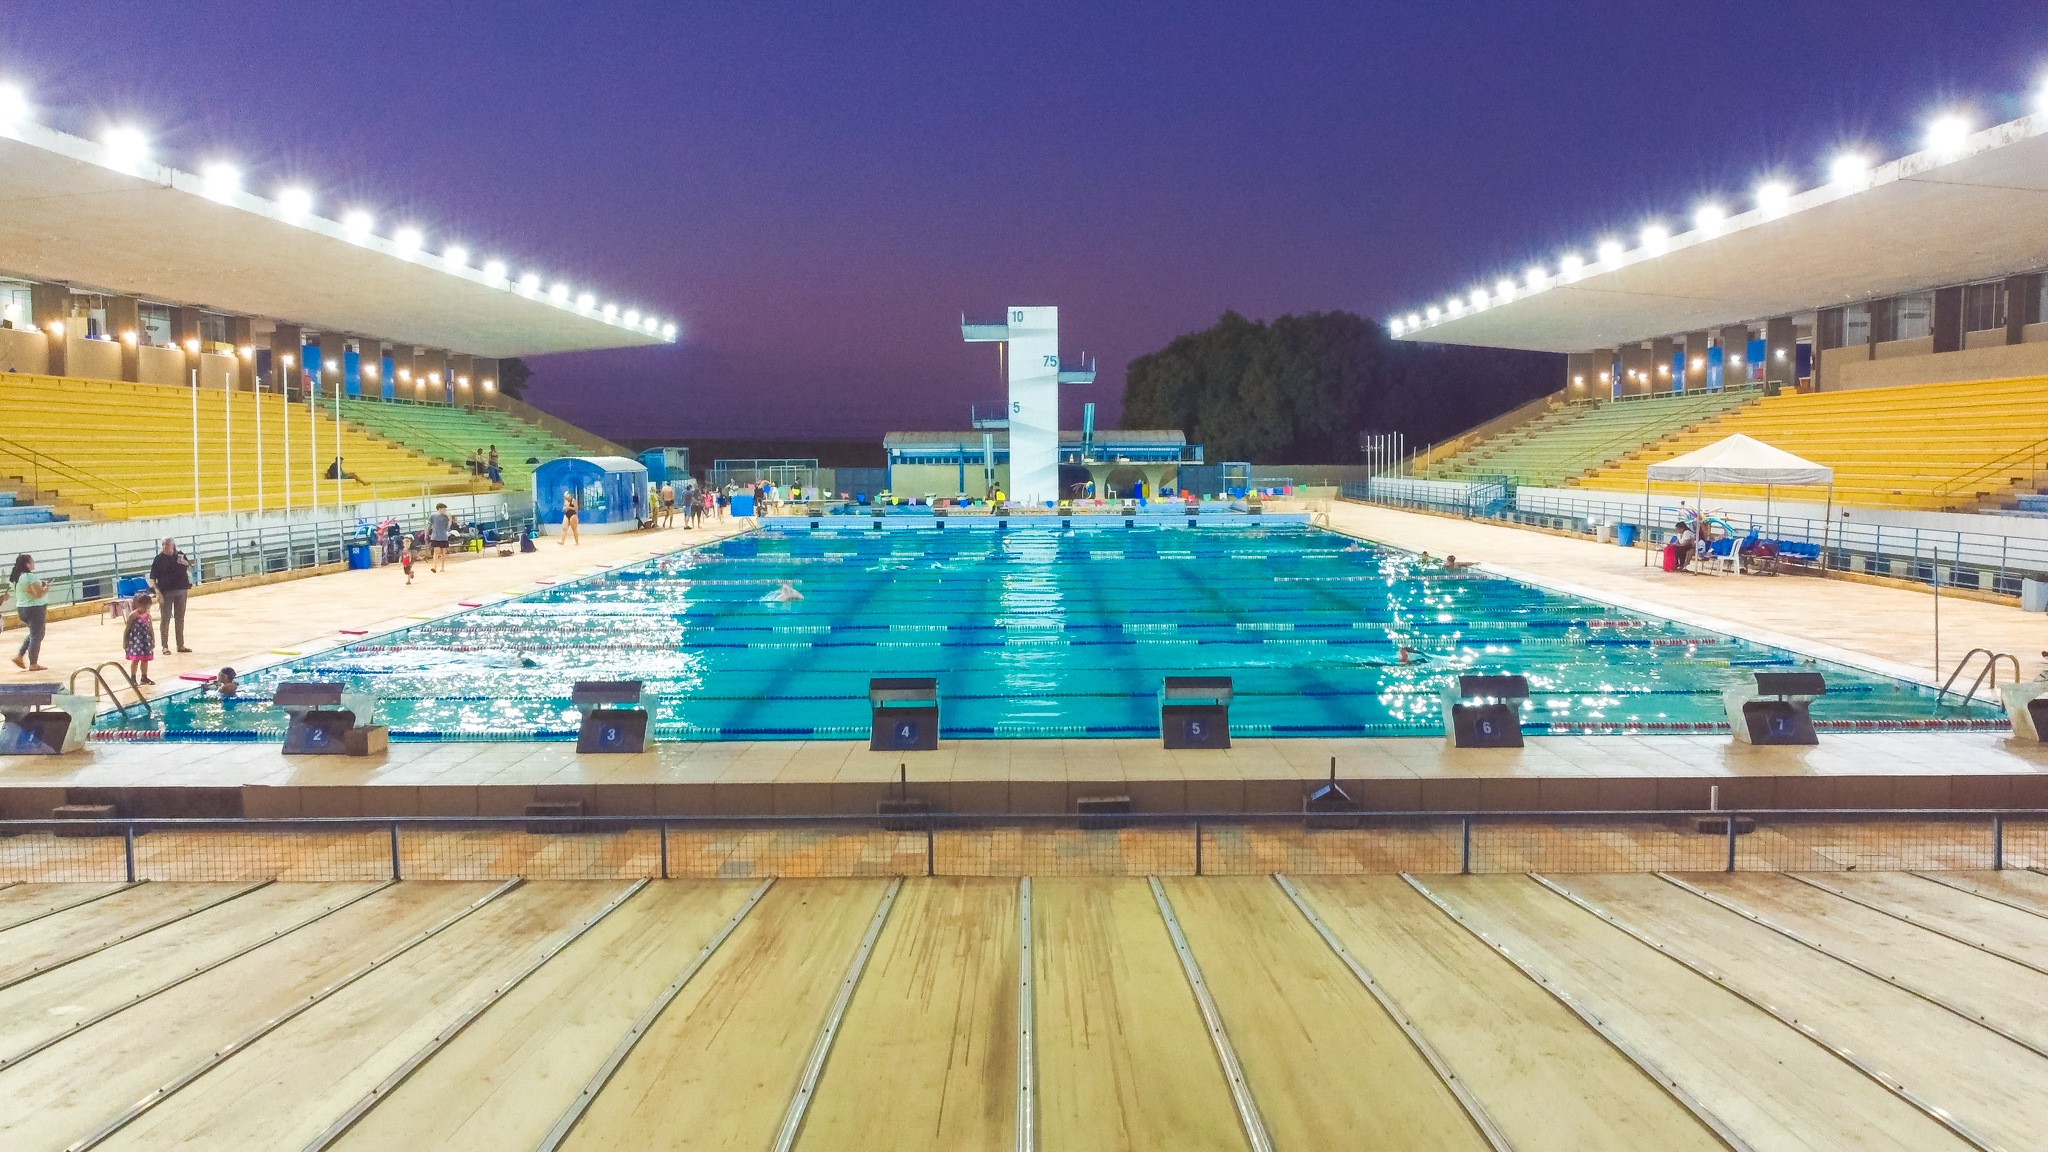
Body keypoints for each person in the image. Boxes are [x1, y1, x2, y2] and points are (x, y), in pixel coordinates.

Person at [150, 537, 194, 653]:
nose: (165, 547)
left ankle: (180, 645)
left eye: (167, 545)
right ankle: (165, 646)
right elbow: (153, 578)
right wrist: (157, 592)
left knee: (180, 618)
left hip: (181, 590)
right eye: (163, 545)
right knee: (165, 619)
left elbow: (190, 568)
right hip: (166, 592)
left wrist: (185, 563)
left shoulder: (180, 555)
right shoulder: (159, 559)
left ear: (173, 545)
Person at [10, 553, 50, 671]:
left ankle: (20, 656)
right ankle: (33, 663)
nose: (33, 564)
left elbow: (28, 591)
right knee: (36, 636)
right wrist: (46, 588)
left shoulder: (18, 577)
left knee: (36, 634)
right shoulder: (30, 576)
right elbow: (38, 594)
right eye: (32, 561)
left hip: (23, 609)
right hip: (34, 609)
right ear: (27, 564)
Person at [124, 591, 156, 685]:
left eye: (147, 607)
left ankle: (144, 677)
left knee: (145, 659)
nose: (145, 609)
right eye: (143, 606)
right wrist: (125, 642)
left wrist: (153, 640)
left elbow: (151, 628)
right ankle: (133, 678)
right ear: (138, 605)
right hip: (136, 642)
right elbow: (127, 629)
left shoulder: (148, 616)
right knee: (136, 659)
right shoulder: (133, 616)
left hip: (145, 641)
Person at [429, 503, 455, 572]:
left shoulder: (445, 517)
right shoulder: (433, 516)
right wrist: (428, 532)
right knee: (436, 551)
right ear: (439, 509)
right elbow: (430, 525)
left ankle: (442, 567)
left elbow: (447, 527)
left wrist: (450, 520)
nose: (445, 510)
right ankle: (435, 567)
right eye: (444, 509)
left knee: (443, 553)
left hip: (443, 536)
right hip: (435, 536)